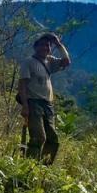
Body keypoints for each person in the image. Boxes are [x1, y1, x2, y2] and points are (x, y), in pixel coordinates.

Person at [18, 33, 71, 164]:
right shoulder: (28, 62)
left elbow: (66, 62)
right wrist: (25, 105)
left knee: (53, 139)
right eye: (42, 45)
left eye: (47, 45)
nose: (45, 48)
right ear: (35, 47)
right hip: (33, 103)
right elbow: (22, 85)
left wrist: (59, 45)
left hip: (47, 104)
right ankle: (29, 166)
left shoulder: (50, 61)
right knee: (38, 137)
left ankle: (43, 167)